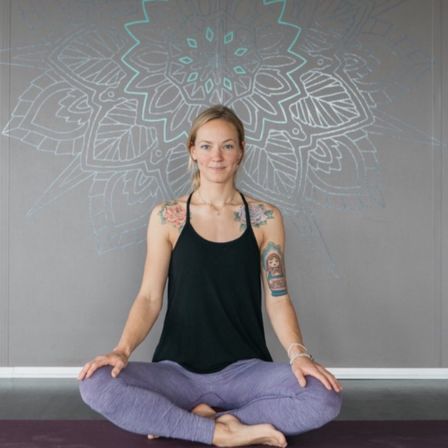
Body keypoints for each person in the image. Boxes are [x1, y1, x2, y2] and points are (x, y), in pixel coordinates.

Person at [78, 104, 343, 447]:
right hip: (176, 373)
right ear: (193, 151)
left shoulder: (265, 217)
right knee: (96, 383)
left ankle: (193, 420)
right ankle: (224, 432)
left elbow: (278, 299)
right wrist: (121, 350)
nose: (216, 156)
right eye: (206, 146)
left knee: (324, 396)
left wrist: (299, 355)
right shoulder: (167, 216)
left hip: (247, 371)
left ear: (240, 152)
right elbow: (149, 297)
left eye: (227, 146)